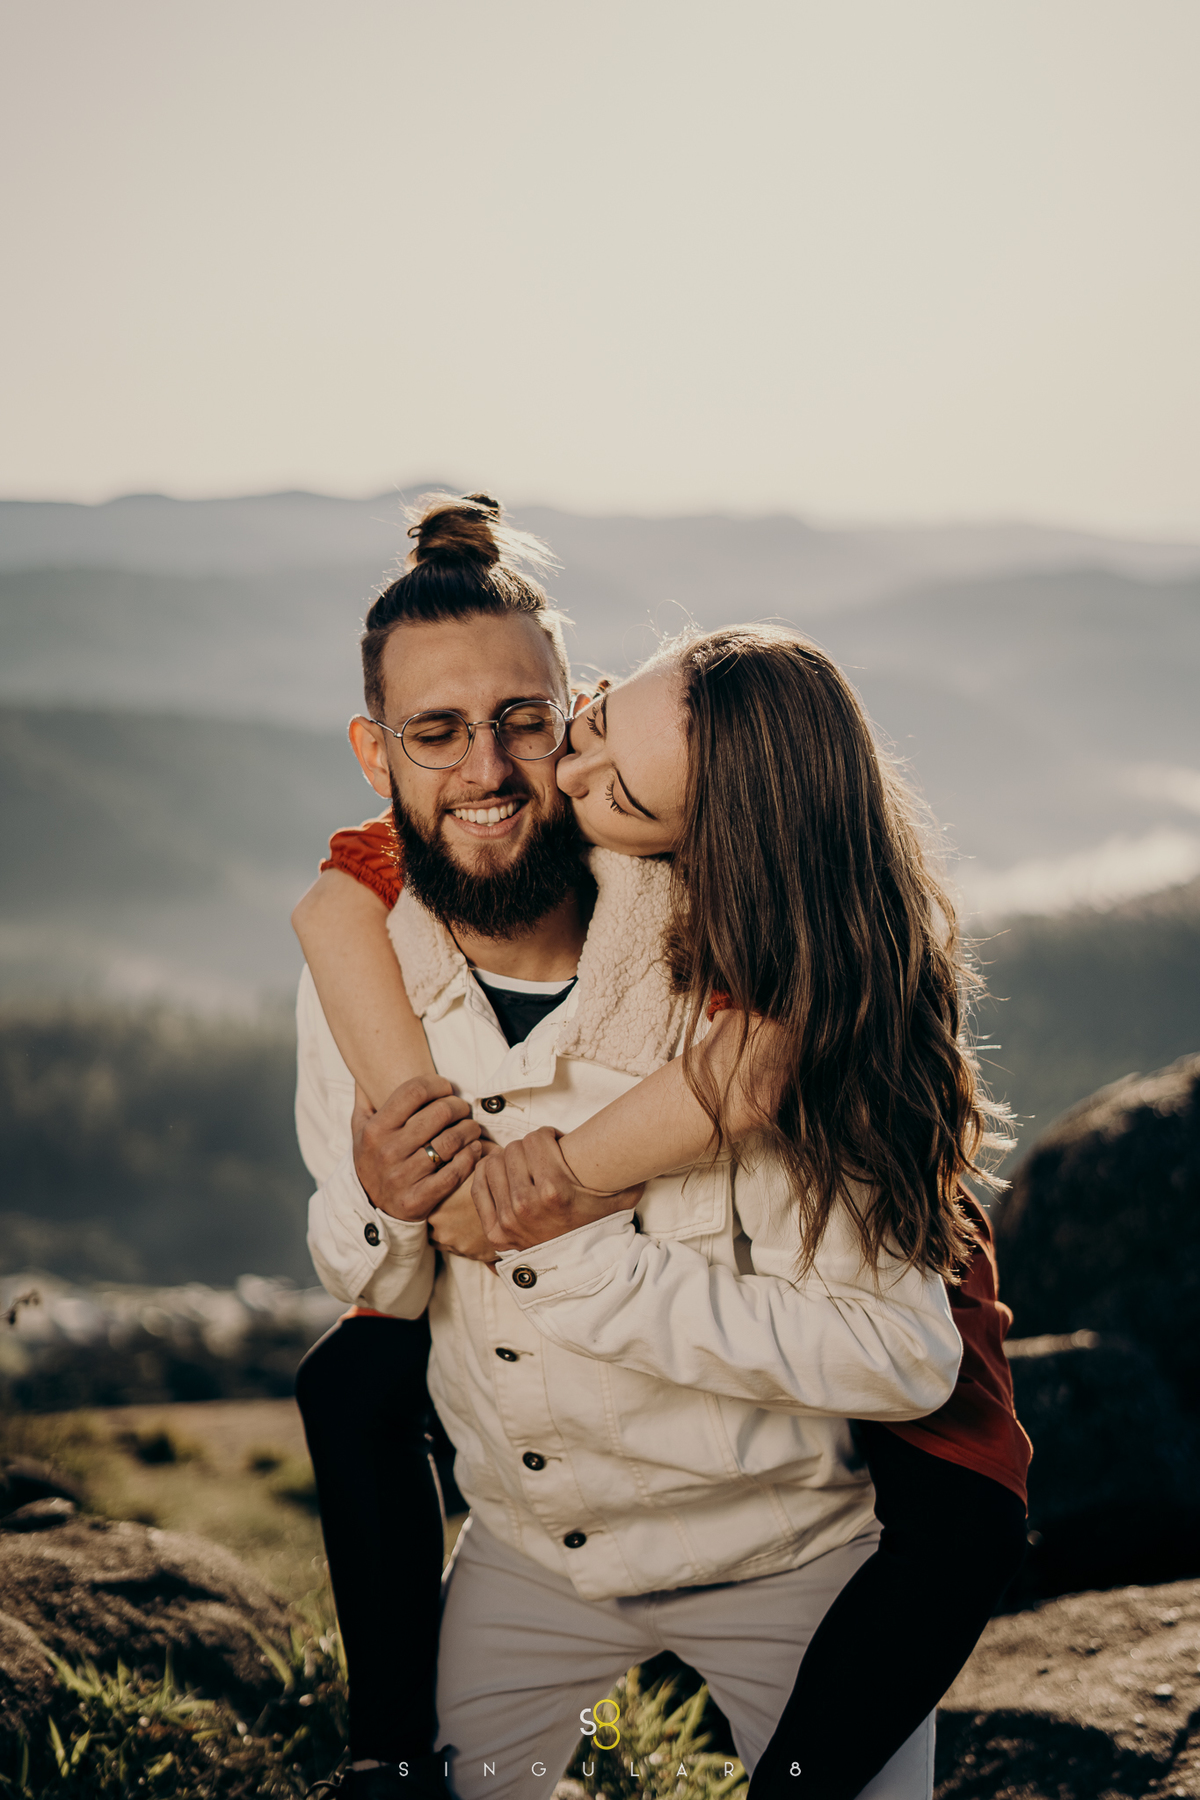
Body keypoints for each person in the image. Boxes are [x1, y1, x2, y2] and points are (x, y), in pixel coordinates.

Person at [293, 494, 1025, 1800]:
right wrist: (380, 1203)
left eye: (533, 723)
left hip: (783, 1549)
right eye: (436, 733)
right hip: (535, 1551)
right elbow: (370, 1278)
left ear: (574, 705)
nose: (505, 772)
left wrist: (576, 1214)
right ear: (374, 750)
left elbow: (902, 1348)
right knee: (345, 1384)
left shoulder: (746, 966)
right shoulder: (358, 956)